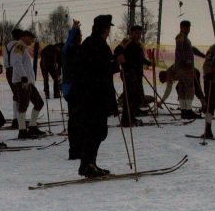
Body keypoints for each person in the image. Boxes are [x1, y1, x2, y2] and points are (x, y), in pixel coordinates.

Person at [69, 14, 119, 177]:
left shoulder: (95, 43)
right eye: (108, 27)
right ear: (104, 29)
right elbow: (99, 69)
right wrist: (115, 64)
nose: (109, 30)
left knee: (98, 131)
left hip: (93, 95)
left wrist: (115, 64)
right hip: (92, 96)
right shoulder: (94, 44)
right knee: (95, 130)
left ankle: (90, 163)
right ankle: (87, 164)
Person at [10, 30, 47, 139]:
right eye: (31, 38)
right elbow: (16, 62)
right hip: (23, 82)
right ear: (25, 37)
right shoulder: (20, 47)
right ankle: (22, 130)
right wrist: (23, 76)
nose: (32, 41)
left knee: (39, 102)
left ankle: (32, 126)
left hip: (28, 82)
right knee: (23, 105)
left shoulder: (23, 48)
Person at [114, 24, 152, 126]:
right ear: (131, 33)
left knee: (138, 97)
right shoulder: (127, 41)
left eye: (140, 33)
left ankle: (130, 117)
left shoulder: (138, 45)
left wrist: (148, 63)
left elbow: (140, 58)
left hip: (137, 74)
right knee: (130, 97)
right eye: (136, 33)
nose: (138, 35)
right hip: (129, 73)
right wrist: (122, 58)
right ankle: (127, 120)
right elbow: (117, 50)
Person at [61, 20, 84, 160]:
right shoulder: (72, 49)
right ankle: (75, 149)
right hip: (73, 87)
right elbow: (70, 41)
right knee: (76, 120)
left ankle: (75, 148)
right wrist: (74, 29)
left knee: (75, 119)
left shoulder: (67, 49)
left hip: (70, 87)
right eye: (79, 36)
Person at [174, 20, 206, 119]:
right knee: (189, 88)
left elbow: (192, 49)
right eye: (186, 27)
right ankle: (188, 111)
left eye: (189, 27)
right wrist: (186, 61)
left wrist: (203, 55)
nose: (188, 29)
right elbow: (180, 49)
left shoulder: (185, 38)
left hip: (183, 67)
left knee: (183, 88)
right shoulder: (181, 37)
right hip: (185, 67)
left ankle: (184, 110)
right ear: (181, 27)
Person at [2, 28, 23, 128]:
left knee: (16, 94)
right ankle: (18, 120)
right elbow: (19, 61)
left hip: (8, 71)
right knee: (20, 95)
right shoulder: (20, 45)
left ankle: (16, 118)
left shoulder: (6, 46)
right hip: (16, 71)